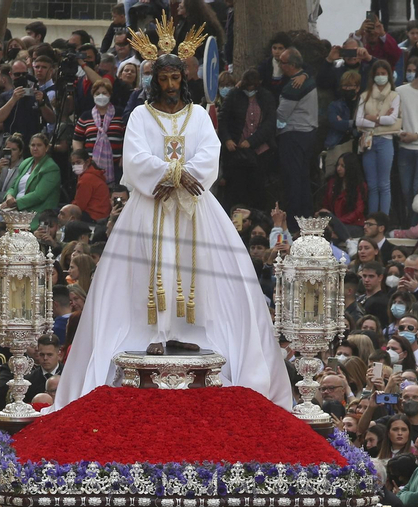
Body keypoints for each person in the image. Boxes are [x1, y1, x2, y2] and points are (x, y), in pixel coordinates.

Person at [53, 44, 290, 408]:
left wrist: (184, 175)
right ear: (154, 81)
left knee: (204, 272)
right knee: (149, 268)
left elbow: (209, 153)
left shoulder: (197, 114)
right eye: (162, 78)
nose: (169, 84)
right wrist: (172, 173)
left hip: (195, 206)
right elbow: (134, 156)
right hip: (151, 204)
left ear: (184, 78)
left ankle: (189, 331)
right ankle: (152, 332)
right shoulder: (141, 115)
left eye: (175, 77)